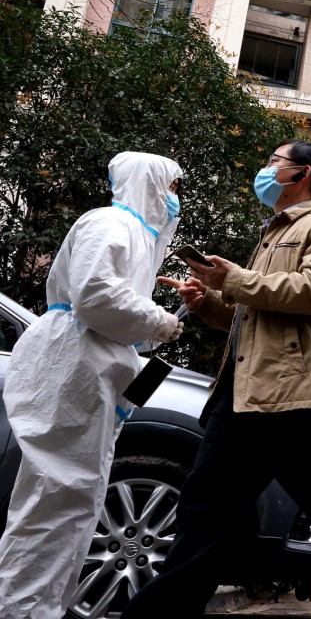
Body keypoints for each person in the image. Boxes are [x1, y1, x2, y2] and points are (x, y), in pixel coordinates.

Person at [121, 139, 311, 618]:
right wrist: (208, 303)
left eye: (274, 162)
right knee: (203, 515)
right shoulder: (270, 236)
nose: (265, 169)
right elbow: (256, 319)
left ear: (303, 174)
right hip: (244, 398)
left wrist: (232, 281)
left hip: (299, 399)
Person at [0, 152, 184, 617]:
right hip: (73, 372)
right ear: (149, 182)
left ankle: (40, 608)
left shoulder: (135, 237)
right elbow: (94, 295)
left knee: (74, 504)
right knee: (54, 502)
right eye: (172, 187)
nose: (174, 199)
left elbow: (119, 318)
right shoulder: (109, 223)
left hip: (86, 375)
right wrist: (158, 320)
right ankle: (20, 610)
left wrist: (163, 321)